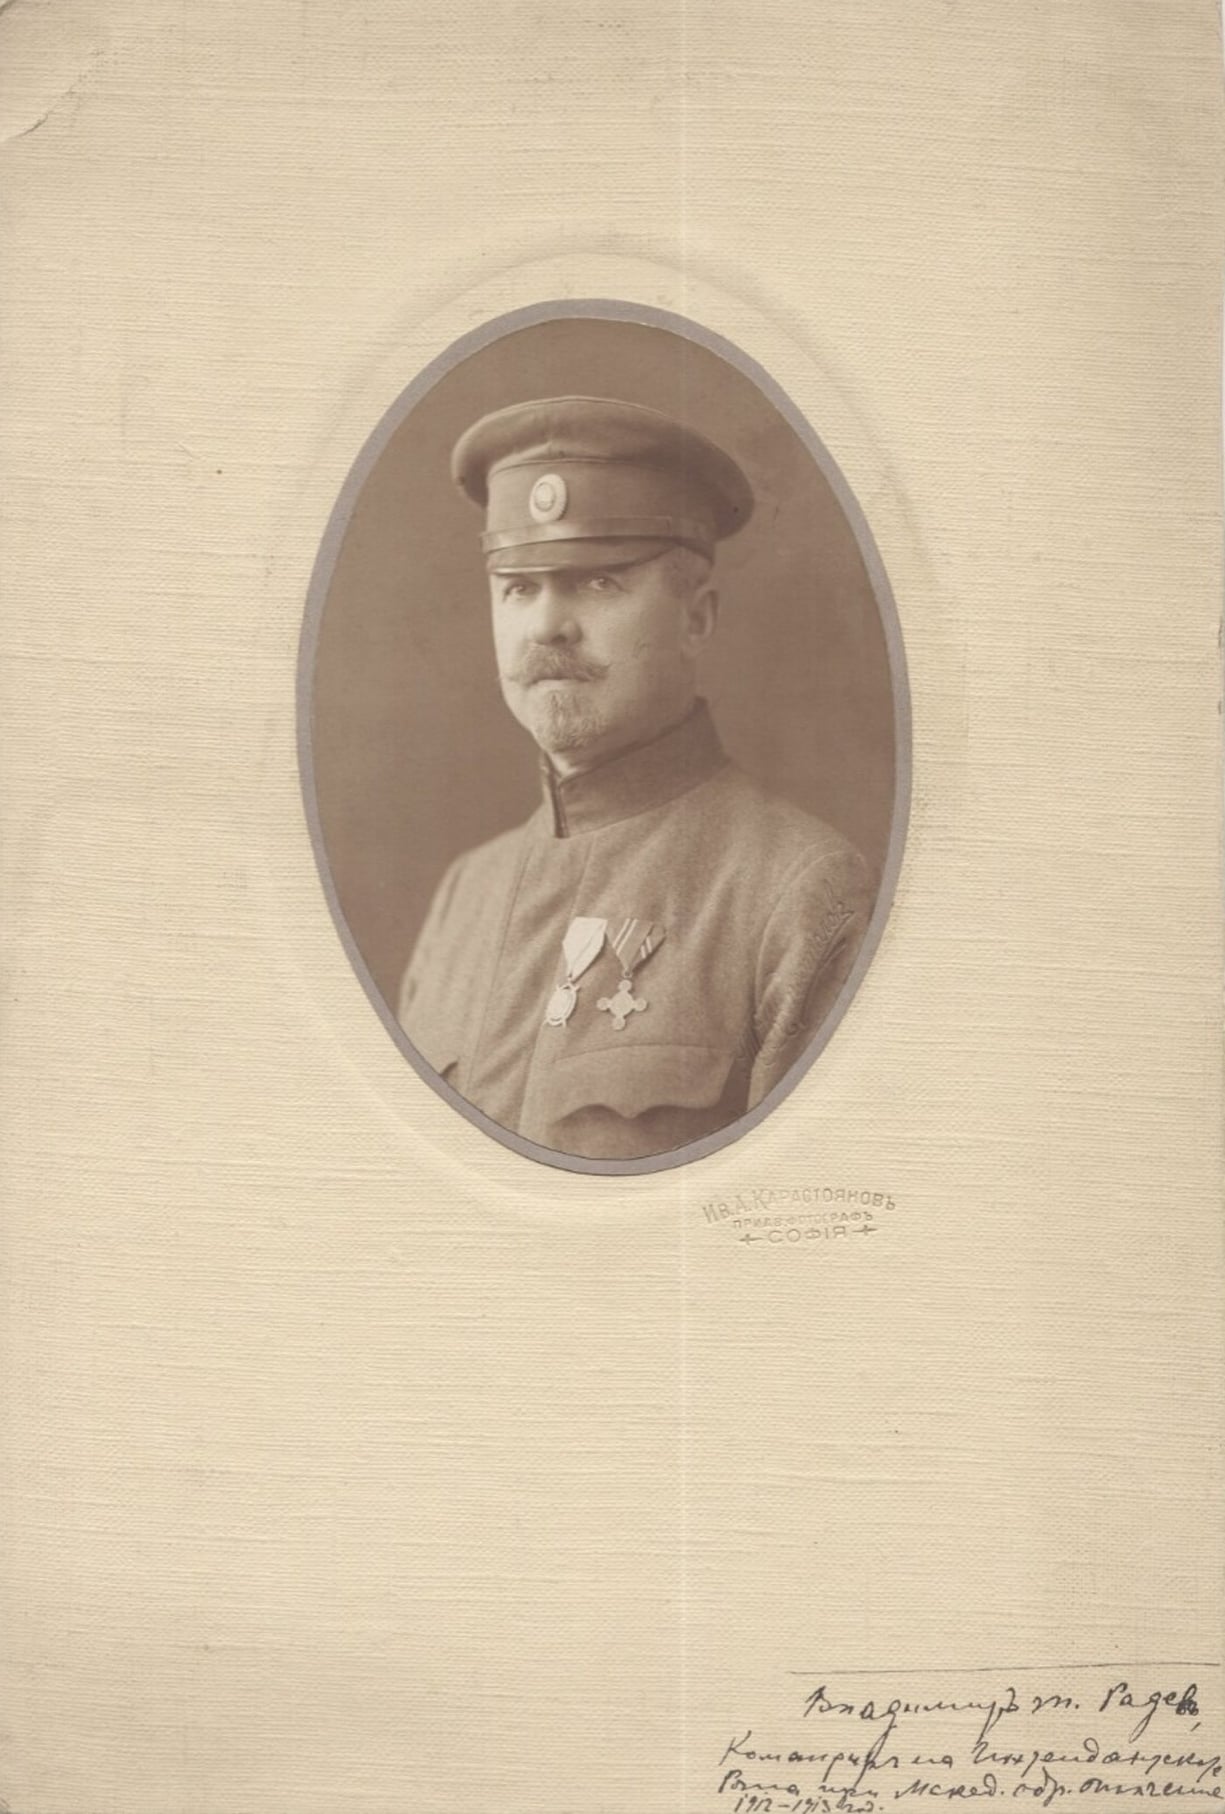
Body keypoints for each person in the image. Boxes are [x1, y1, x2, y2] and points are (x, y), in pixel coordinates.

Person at [398, 395, 876, 1161]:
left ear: (696, 618)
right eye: (518, 587)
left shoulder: (797, 893)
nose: (546, 625)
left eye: (598, 582)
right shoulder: (466, 893)